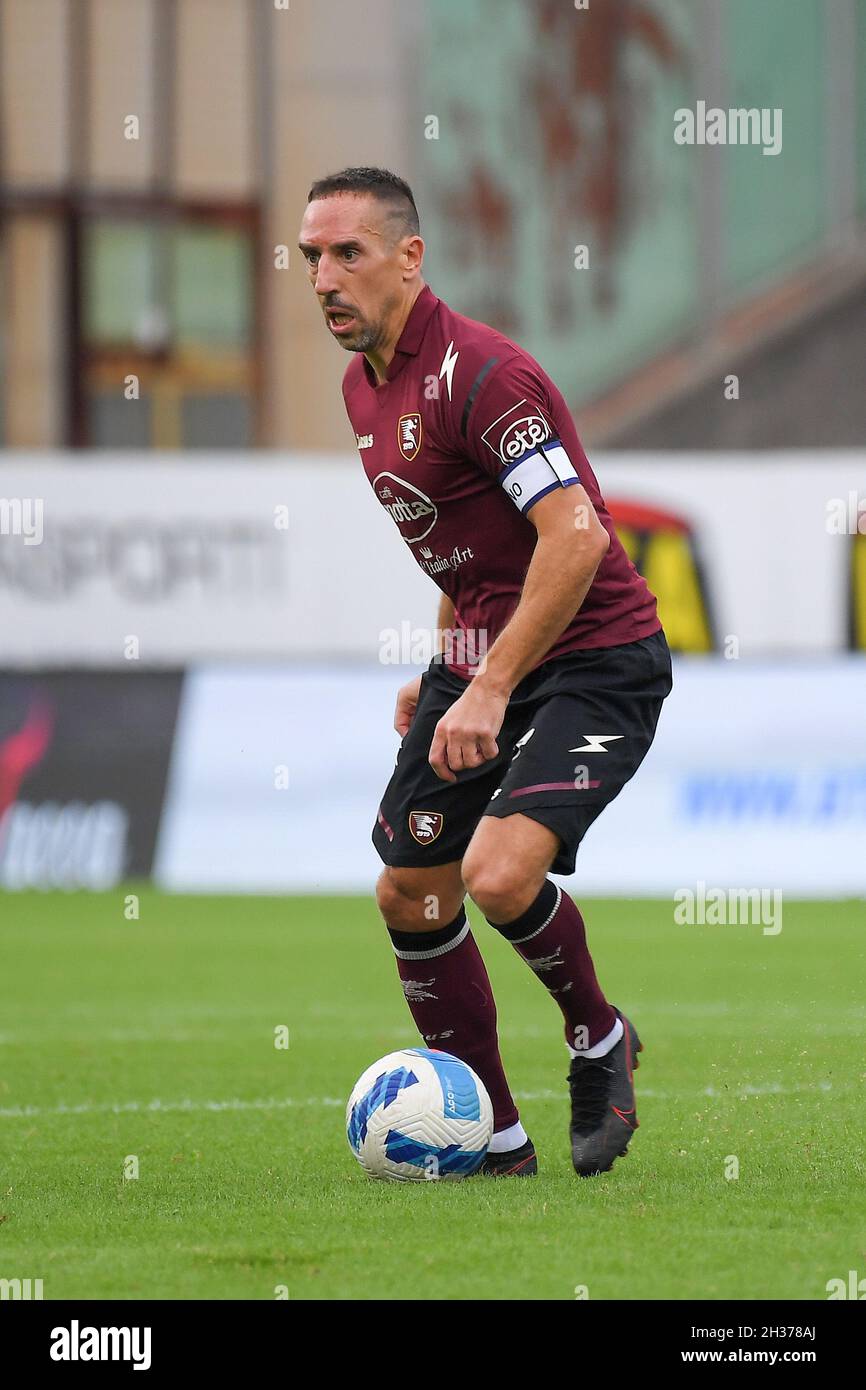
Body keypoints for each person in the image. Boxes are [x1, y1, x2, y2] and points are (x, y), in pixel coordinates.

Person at [298, 167, 672, 1176]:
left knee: (498, 874)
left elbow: (574, 535)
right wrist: (448, 669)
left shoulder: (481, 375)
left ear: (408, 258)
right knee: (409, 890)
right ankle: (495, 1143)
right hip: (485, 658)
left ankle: (599, 1041)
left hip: (594, 659)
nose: (325, 277)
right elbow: (458, 549)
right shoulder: (359, 387)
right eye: (310, 258)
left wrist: (493, 685)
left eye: (348, 254)